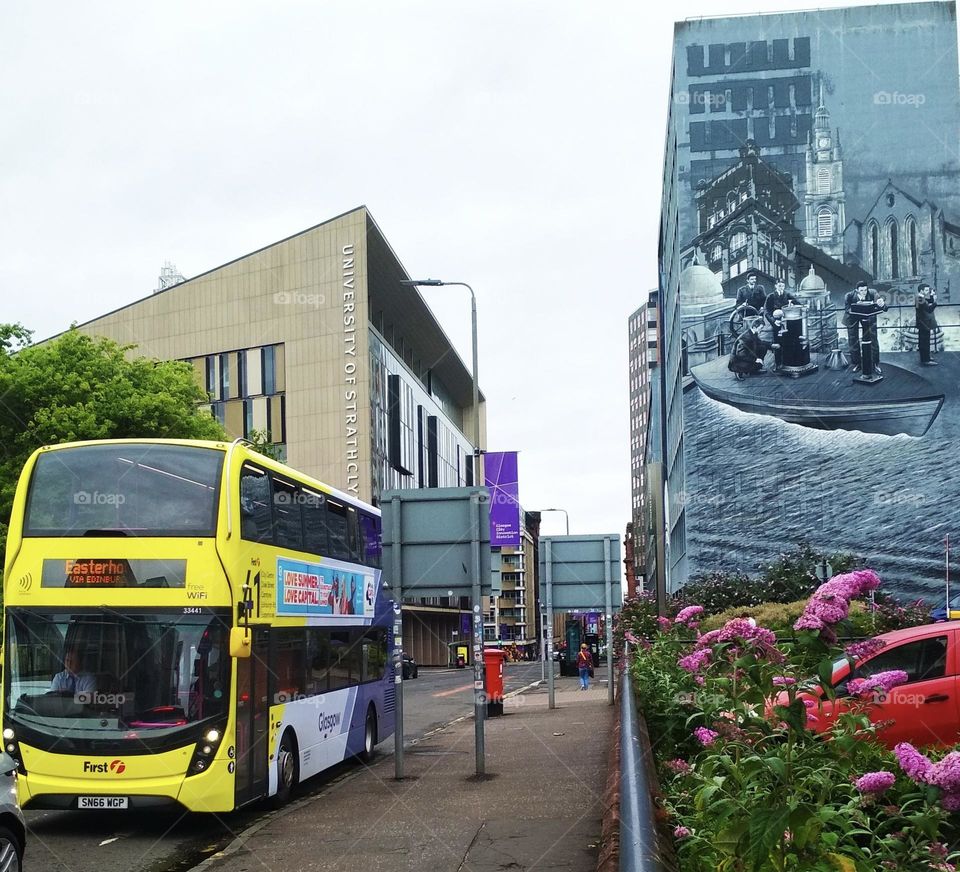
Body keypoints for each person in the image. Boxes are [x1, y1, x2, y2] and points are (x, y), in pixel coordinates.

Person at [843, 281, 886, 374]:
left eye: (865, 290)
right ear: (856, 291)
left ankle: (875, 364)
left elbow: (883, 306)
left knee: (873, 338)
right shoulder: (849, 296)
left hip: (868, 316)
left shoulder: (873, 293)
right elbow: (847, 310)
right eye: (861, 290)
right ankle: (857, 363)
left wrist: (882, 304)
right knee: (853, 340)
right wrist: (859, 306)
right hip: (853, 317)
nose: (864, 292)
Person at [916, 283, 939, 366]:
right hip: (924, 323)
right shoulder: (920, 298)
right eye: (926, 290)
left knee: (924, 341)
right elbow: (929, 309)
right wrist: (935, 302)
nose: (928, 292)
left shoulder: (920, 297)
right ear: (921, 290)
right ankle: (925, 360)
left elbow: (928, 301)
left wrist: (932, 296)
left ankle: (926, 357)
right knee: (924, 342)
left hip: (923, 323)